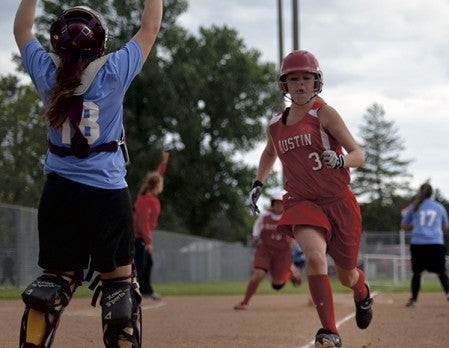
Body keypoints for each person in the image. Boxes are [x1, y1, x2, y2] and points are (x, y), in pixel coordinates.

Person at [14, 1, 163, 347]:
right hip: (107, 196)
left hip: (59, 194)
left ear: (56, 41)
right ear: (100, 41)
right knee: (120, 291)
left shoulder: (46, 72)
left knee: (51, 285)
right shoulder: (113, 70)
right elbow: (149, 29)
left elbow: (21, 31)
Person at [248, 50, 373, 348]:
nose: (300, 84)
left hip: (338, 202)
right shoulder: (276, 124)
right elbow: (269, 153)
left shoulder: (324, 113)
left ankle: (362, 292)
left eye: (306, 78)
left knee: (347, 275)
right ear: (284, 85)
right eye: (294, 79)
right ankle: (330, 332)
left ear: (316, 81)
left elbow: (359, 154)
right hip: (302, 202)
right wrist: (258, 183)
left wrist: (342, 161)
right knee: (315, 258)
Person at [234, 192, 302, 310]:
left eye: (281, 203)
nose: (278, 205)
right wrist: (255, 236)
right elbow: (257, 225)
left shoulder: (289, 216)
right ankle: (245, 302)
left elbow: (295, 231)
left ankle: (290, 274)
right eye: (276, 203)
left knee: (277, 284)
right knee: (258, 274)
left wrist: (294, 242)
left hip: (282, 254)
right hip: (265, 250)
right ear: (272, 204)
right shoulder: (265, 215)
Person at [401, 183, 449, 307]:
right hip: (436, 243)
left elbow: (404, 225)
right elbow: (445, 226)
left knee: (417, 273)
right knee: (441, 272)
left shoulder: (414, 206)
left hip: (419, 244)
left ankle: (414, 299)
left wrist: (412, 221)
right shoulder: (439, 207)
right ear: (431, 193)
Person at [133, 149, 170, 300]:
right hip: (138, 236)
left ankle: (146, 290)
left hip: (140, 236)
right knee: (139, 266)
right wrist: (148, 241)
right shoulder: (147, 199)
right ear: (156, 185)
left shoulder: (149, 195)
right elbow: (143, 223)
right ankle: (132, 291)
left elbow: (158, 175)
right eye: (161, 182)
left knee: (147, 263)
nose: (162, 184)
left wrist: (164, 162)